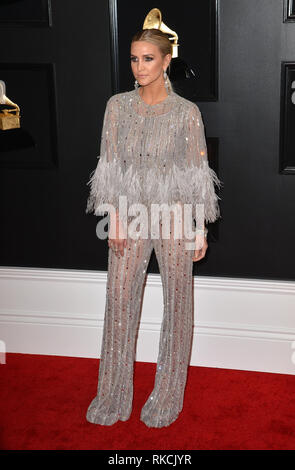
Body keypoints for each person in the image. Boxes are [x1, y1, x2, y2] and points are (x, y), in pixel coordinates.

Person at [85, 28, 222, 428]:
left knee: (178, 307)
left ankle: (166, 396)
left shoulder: (186, 113)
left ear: (166, 61)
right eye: (134, 58)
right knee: (119, 304)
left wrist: (199, 228)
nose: (140, 66)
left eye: (148, 58)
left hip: (176, 214)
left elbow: (197, 172)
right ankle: (112, 396)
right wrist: (112, 217)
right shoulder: (116, 107)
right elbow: (108, 165)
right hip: (129, 213)